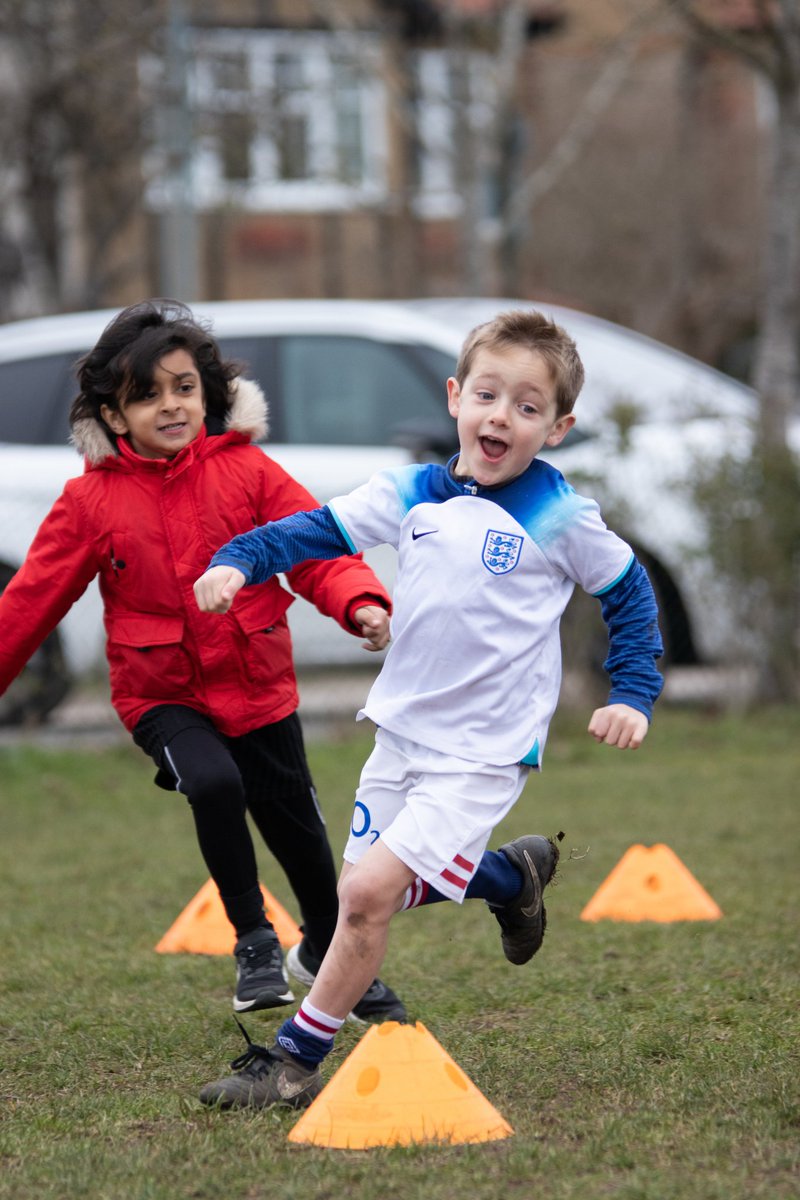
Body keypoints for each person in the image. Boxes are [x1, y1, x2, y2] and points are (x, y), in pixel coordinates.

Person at [193, 308, 664, 1110]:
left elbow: (629, 592)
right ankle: (509, 878)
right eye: (488, 394)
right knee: (363, 899)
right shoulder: (413, 489)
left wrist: (634, 692)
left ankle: (293, 1065)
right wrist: (240, 558)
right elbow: (317, 529)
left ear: (556, 428)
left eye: (527, 406)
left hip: (483, 754)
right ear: (455, 397)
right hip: (402, 737)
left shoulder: (558, 513)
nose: (501, 416)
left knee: (367, 899)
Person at [0, 299, 407, 1024]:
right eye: (147, 394)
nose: (171, 405)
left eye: (183, 387)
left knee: (304, 841)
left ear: (209, 392)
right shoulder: (90, 501)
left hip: (259, 686)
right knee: (214, 783)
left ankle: (326, 952)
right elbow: (30, 601)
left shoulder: (249, 472)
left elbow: (315, 549)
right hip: (163, 695)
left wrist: (359, 602)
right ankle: (253, 938)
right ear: (114, 415)